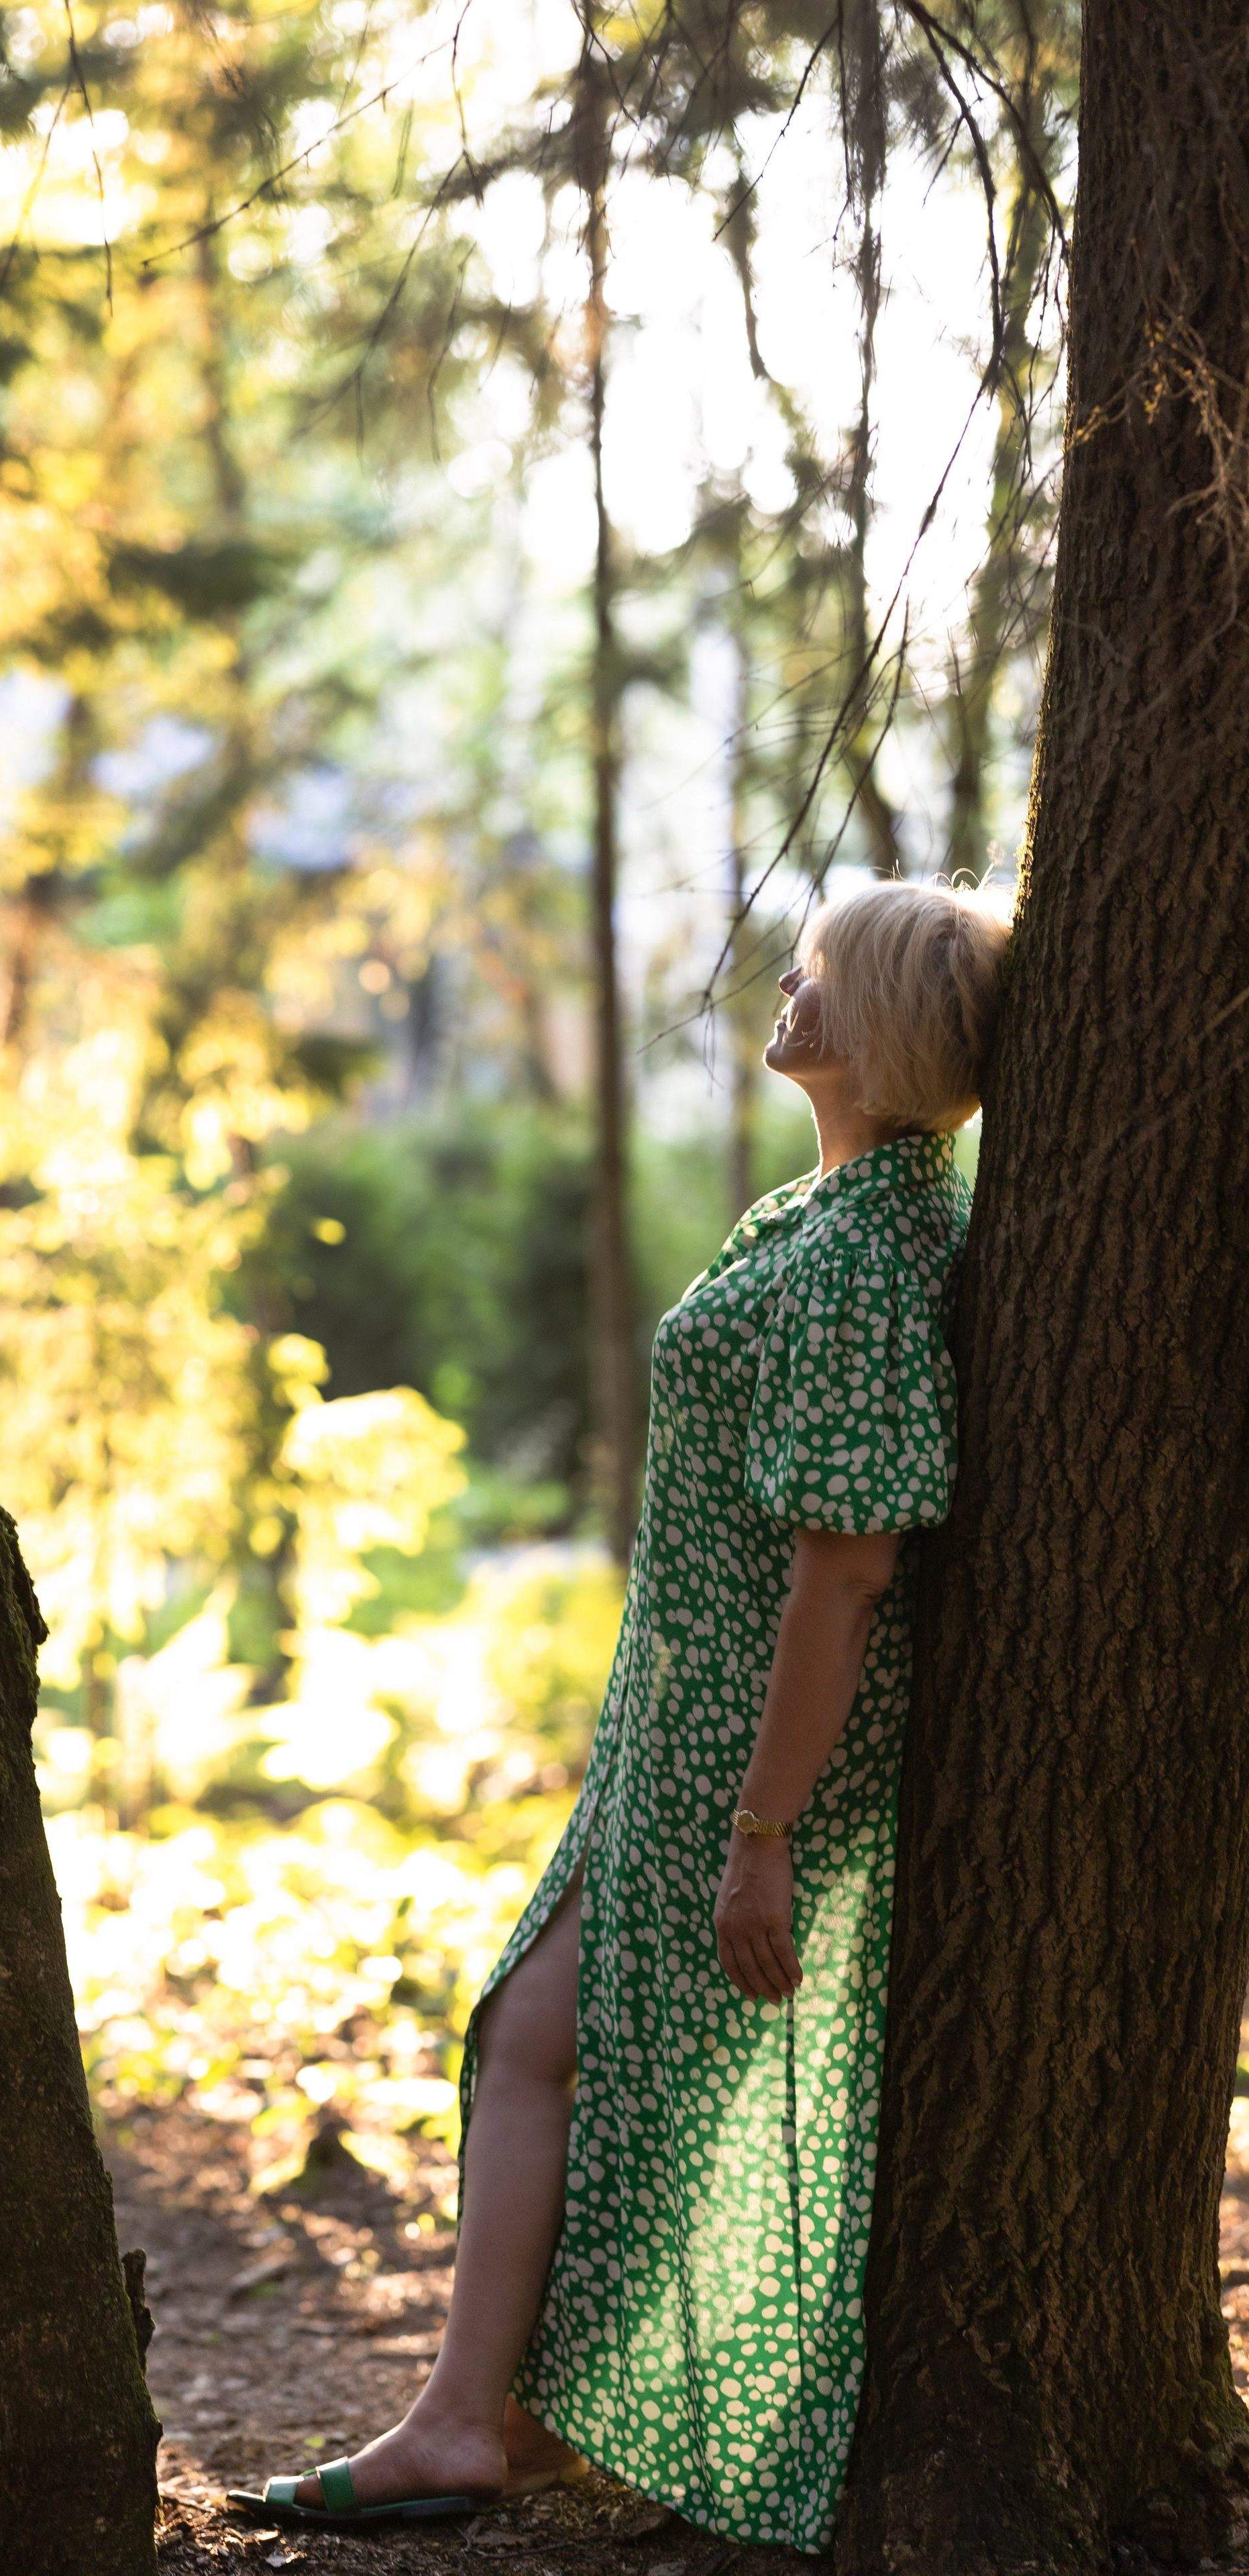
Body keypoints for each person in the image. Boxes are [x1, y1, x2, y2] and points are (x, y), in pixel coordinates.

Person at [232, 879, 1012, 2551]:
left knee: (550, 2045)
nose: (789, 987)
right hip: (683, 1738)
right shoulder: (824, 1221)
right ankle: (501, 2417)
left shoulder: (868, 1261)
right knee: (564, 2046)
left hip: (753, 1756)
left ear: (882, 1034)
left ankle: (471, 2426)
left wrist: (761, 1833)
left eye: (826, 974)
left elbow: (849, 1569)